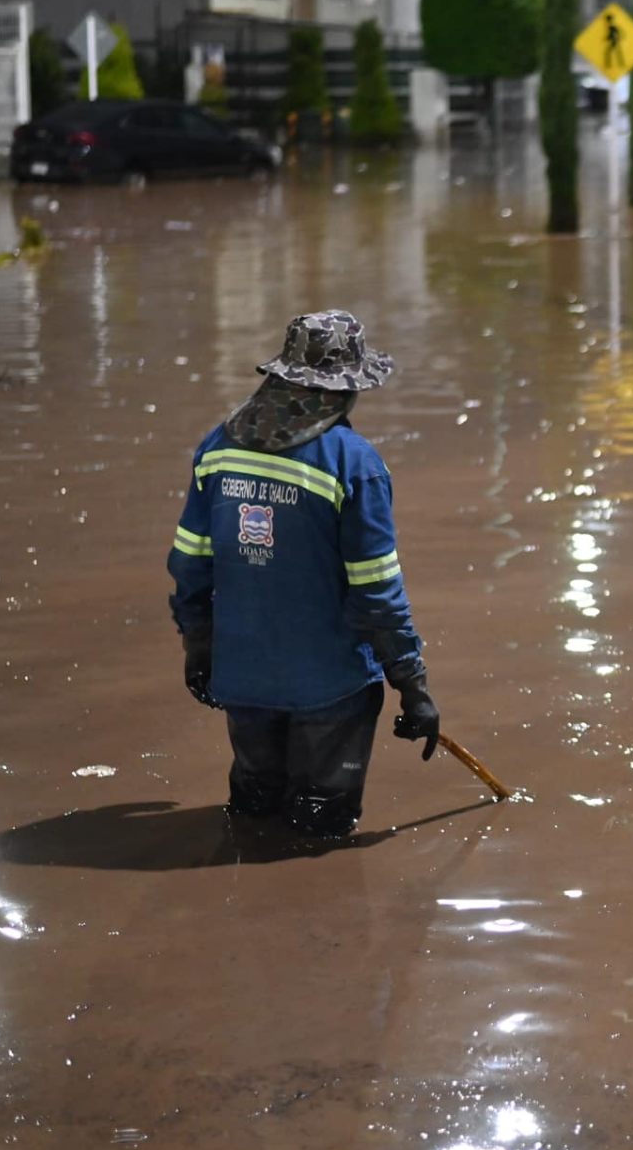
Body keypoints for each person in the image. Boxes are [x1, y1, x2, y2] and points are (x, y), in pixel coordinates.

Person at [167, 311, 440, 837]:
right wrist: (413, 685)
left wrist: (199, 645)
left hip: (241, 675)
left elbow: (190, 562)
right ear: (342, 392)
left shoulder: (216, 449)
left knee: (252, 807)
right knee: (319, 828)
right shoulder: (353, 464)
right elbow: (376, 591)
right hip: (330, 688)